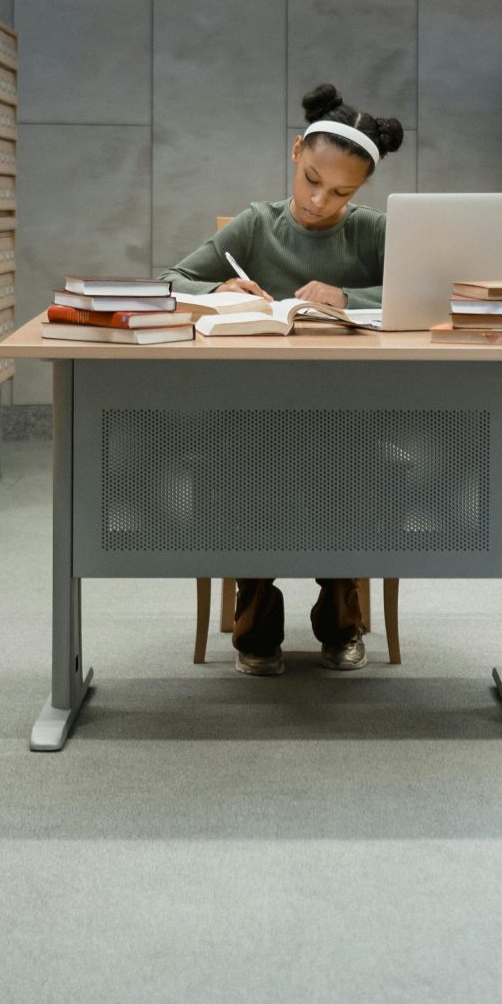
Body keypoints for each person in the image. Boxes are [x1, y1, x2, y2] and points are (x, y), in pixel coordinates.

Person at [159, 83, 406, 677]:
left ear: (362, 189)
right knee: (246, 472)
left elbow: (426, 293)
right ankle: (256, 625)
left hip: (349, 414)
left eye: (342, 192)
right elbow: (169, 282)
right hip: (253, 412)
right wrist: (216, 288)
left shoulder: (371, 232)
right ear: (296, 152)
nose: (321, 201)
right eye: (312, 180)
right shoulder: (254, 226)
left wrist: (350, 295)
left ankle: (340, 620)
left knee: (352, 474)